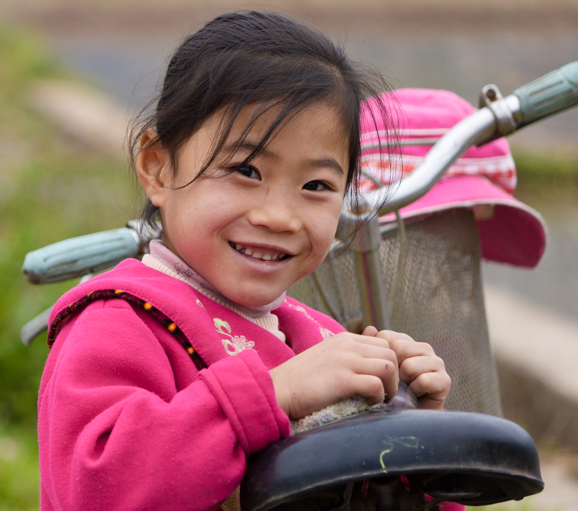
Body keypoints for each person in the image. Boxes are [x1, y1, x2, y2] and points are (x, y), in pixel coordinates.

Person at [38, 11, 452, 511]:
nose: (279, 216)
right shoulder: (119, 322)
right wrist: (272, 394)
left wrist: (413, 439)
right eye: (246, 170)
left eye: (316, 186)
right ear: (158, 168)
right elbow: (96, 490)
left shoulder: (319, 339)